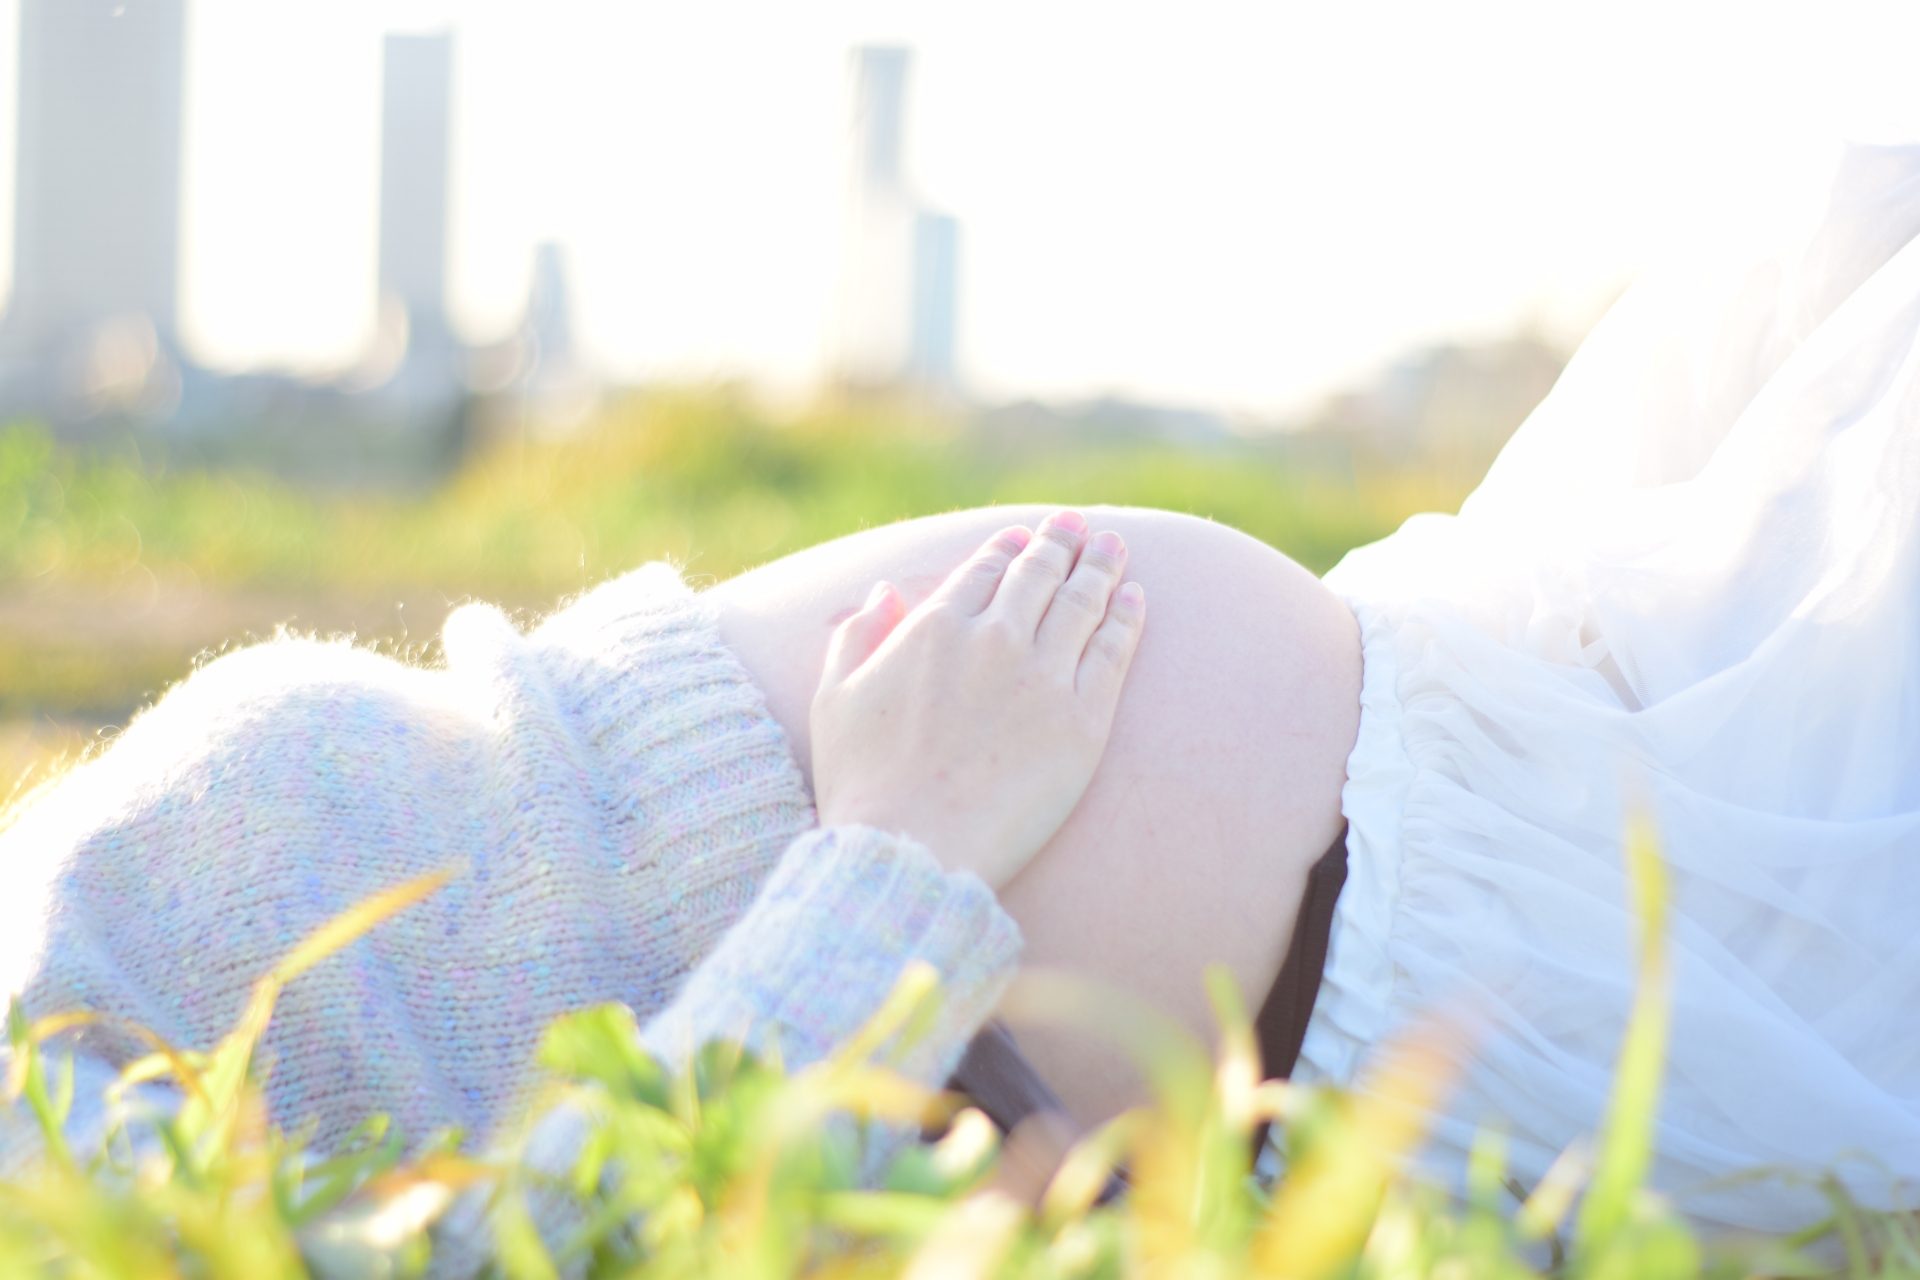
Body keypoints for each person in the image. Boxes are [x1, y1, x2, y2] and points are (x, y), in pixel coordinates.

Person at [8, 137, 1920, 1238]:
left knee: (1849, 232)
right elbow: (513, 1256)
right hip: (1364, 938)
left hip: (1425, 724)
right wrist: (899, 862)